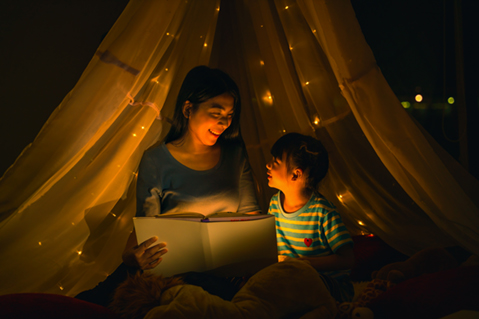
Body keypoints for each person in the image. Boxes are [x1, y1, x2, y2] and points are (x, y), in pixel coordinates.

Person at [76, 65, 261, 305]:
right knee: (86, 304)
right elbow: (146, 227)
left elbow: (250, 217)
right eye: (216, 113)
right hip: (170, 270)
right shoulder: (156, 160)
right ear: (188, 109)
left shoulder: (235, 156)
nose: (224, 123)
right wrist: (135, 257)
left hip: (223, 273)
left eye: (230, 114)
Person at [265, 132, 355, 303]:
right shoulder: (274, 204)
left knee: (300, 287)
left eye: (275, 162)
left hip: (327, 285)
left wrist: (305, 264)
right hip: (289, 280)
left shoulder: (323, 213)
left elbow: (347, 259)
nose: (268, 165)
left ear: (295, 174)